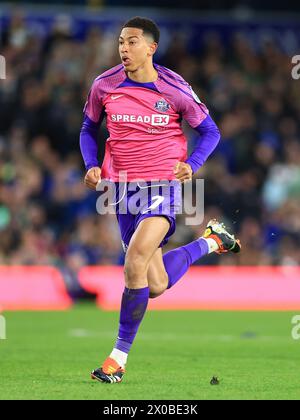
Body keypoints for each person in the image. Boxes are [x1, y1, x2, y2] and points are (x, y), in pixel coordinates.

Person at [80, 16, 241, 384]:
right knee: (154, 284)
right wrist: (91, 165)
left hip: (162, 188)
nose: (124, 48)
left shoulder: (174, 88)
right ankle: (212, 241)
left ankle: (116, 360)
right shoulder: (104, 85)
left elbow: (210, 131)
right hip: (121, 191)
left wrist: (192, 165)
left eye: (132, 42)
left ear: (151, 48)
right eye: (121, 41)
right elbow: (88, 127)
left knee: (135, 258)